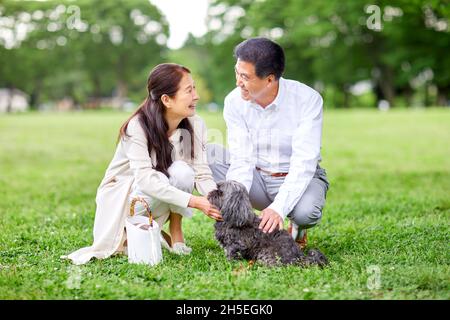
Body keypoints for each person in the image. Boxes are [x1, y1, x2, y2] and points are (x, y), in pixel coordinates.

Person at [64, 63, 222, 265]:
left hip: (158, 189)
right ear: (166, 99)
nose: (196, 96)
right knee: (159, 178)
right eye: (189, 90)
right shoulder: (137, 126)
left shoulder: (195, 123)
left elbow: (201, 172)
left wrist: (214, 199)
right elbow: (146, 181)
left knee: (182, 172)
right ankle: (127, 232)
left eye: (195, 88)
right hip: (127, 194)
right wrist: (196, 201)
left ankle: (175, 232)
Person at [208, 38, 329, 250]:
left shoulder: (307, 99)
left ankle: (296, 227)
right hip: (258, 179)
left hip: (298, 178)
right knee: (210, 154)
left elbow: (303, 163)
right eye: (237, 72)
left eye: (245, 77)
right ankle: (250, 227)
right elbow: (242, 158)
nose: (238, 82)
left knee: (306, 213)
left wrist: (279, 209)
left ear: (270, 80)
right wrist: (236, 201)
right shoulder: (234, 101)